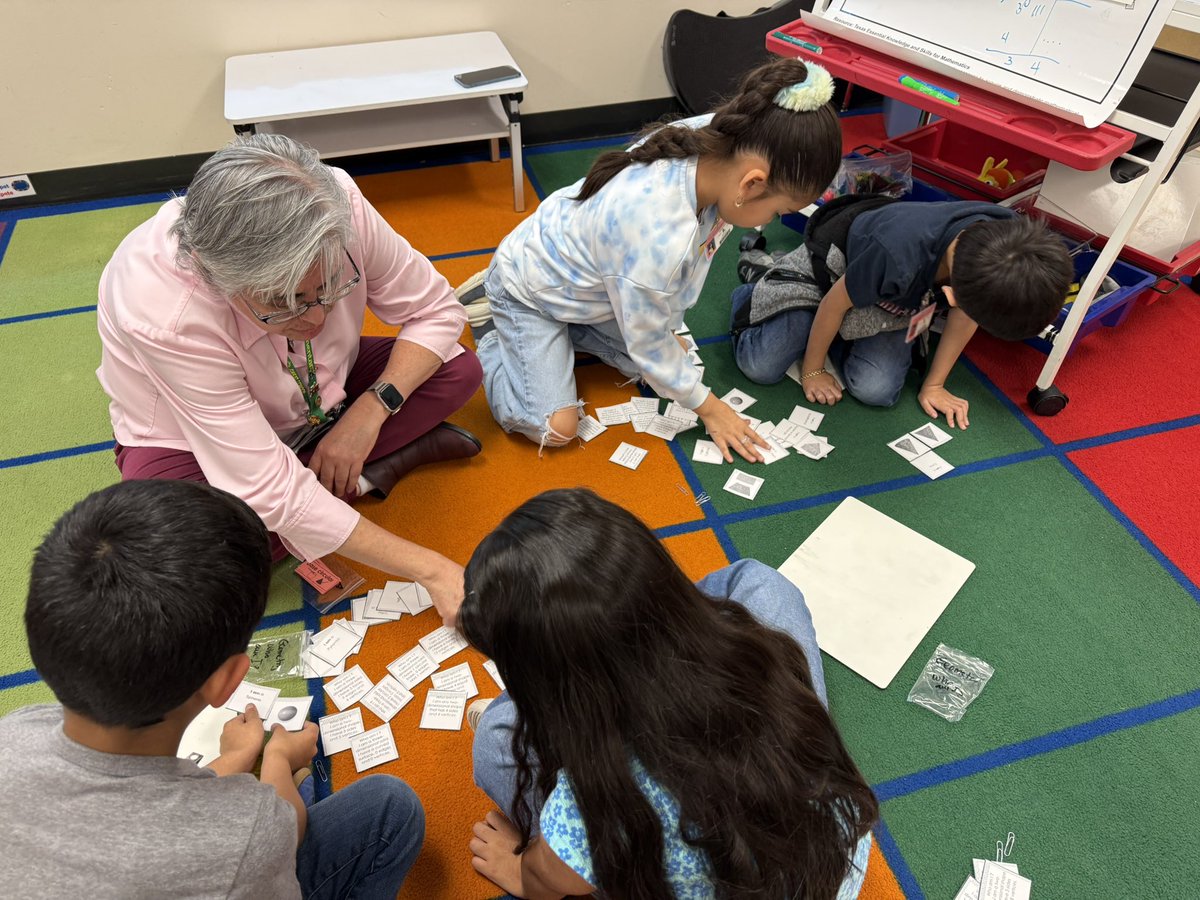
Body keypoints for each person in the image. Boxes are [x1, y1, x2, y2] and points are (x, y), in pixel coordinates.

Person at [97, 133, 483, 621]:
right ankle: (367, 476)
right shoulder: (161, 309)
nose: (316, 320)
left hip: (318, 389)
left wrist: (370, 410)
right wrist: (434, 570)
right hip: (188, 435)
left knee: (455, 366)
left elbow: (437, 311)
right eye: (283, 304)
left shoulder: (334, 202)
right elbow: (267, 487)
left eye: (327, 289)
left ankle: (339, 474)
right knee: (187, 564)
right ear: (220, 282)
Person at [0, 479, 424, 898]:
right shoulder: (245, 835)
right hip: (244, 862)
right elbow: (276, 830)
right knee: (389, 809)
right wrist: (276, 758)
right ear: (226, 681)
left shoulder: (15, 731)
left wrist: (236, 757)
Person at [460, 488, 878, 900]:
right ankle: (621, 625)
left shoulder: (597, 797)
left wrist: (518, 870)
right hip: (832, 867)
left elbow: (547, 881)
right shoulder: (761, 653)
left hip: (701, 872)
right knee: (757, 580)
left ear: (565, 695)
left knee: (497, 735)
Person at [462, 57, 843, 462]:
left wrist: (664, 348)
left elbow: (665, 304)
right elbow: (651, 333)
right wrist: (711, 409)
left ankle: (562, 333)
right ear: (751, 184)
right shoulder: (656, 232)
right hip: (529, 288)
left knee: (665, 360)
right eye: (779, 211)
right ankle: (490, 319)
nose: (773, 221)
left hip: (593, 284)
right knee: (556, 427)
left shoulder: (728, 135)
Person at [730, 198, 1074, 428]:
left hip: (894, 297)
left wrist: (935, 384)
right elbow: (834, 302)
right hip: (829, 274)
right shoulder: (897, 253)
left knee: (877, 390)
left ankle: (833, 333)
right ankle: (759, 282)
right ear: (956, 290)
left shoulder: (1006, 245)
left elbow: (966, 314)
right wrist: (812, 370)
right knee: (761, 366)